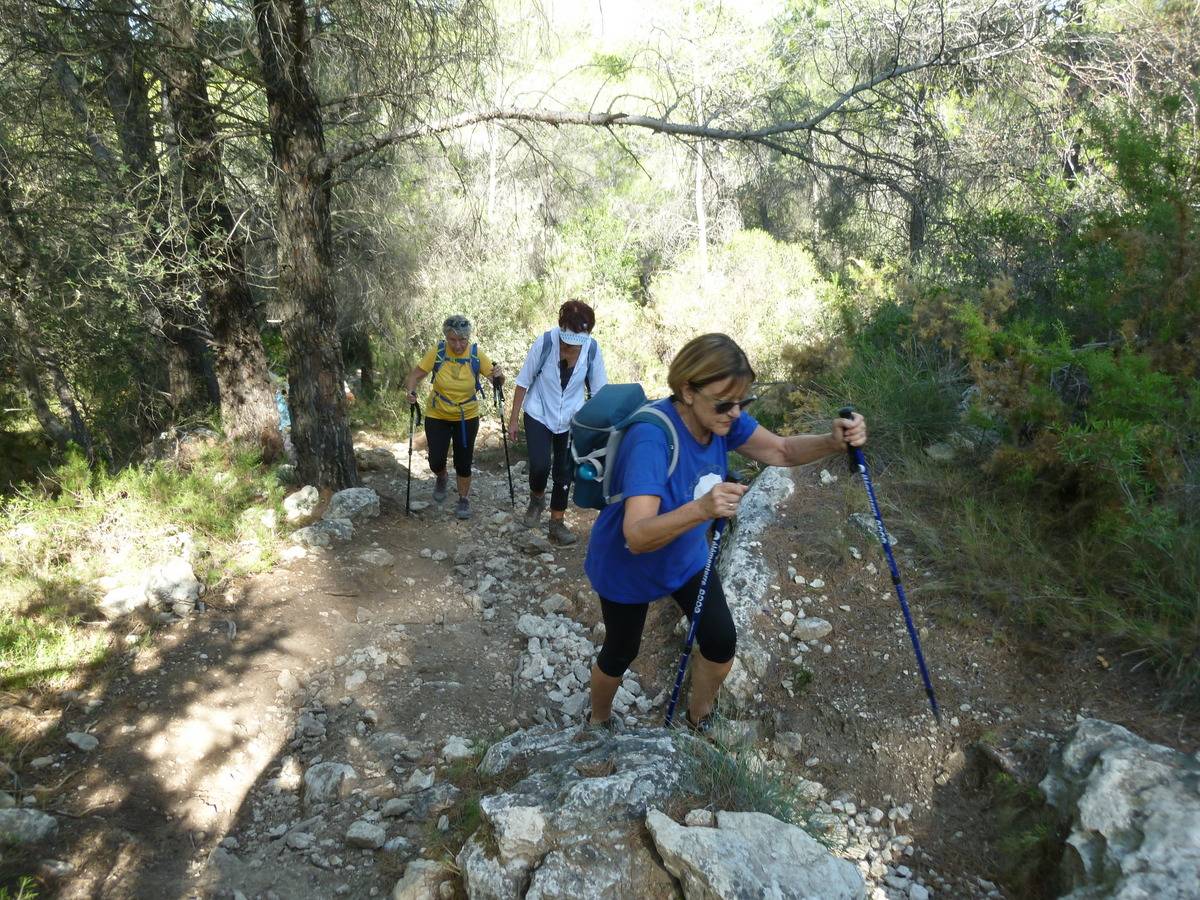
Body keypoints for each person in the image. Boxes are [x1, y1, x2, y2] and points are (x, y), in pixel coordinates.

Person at [582, 333, 867, 735]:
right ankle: (597, 720)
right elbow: (637, 535)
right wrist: (702, 509)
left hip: (684, 557)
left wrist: (831, 442)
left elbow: (781, 451)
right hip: (626, 566)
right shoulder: (651, 438)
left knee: (720, 641)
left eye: (742, 402)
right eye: (724, 403)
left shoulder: (719, 419)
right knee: (621, 650)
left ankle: (699, 719)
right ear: (687, 390)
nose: (735, 413)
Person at [507, 300, 608, 545]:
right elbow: (523, 382)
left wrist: (599, 430)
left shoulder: (592, 351)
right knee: (540, 465)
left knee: (563, 472)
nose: (569, 347)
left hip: (572, 416)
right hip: (539, 411)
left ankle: (556, 523)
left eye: (576, 342)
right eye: (567, 340)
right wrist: (513, 420)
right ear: (560, 327)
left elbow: (599, 391)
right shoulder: (544, 343)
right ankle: (537, 498)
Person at [404, 315, 504, 520]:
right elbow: (415, 375)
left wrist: (499, 375)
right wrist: (411, 392)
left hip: (466, 415)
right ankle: (441, 476)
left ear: (468, 338)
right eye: (452, 340)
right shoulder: (437, 352)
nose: (458, 345)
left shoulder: (476, 355)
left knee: (464, 461)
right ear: (446, 338)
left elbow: (496, 380)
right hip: (437, 413)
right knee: (435, 459)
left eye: (462, 340)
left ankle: (464, 499)